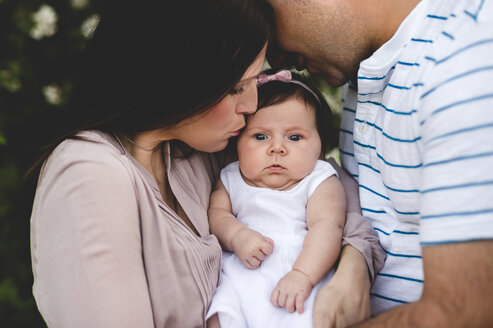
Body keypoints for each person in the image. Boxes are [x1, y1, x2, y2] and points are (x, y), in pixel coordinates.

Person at [29, 1, 383, 327]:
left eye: (254, 82)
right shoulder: (91, 175)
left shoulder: (192, 154)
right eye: (237, 87)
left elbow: (328, 183)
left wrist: (353, 266)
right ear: (179, 78)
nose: (251, 105)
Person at [264, 0, 493, 326]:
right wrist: (355, 258)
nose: (276, 57)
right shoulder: (365, 65)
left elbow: (463, 313)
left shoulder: (466, 53)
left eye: (267, 11)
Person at [206, 70, 385, 328]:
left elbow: (327, 227)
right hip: (241, 276)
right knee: (220, 312)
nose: (277, 147)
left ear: (320, 149)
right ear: (237, 144)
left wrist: (303, 274)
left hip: (301, 272)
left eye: (294, 137)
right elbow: (217, 215)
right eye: (260, 136)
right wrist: (236, 236)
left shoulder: (319, 179)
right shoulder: (232, 177)